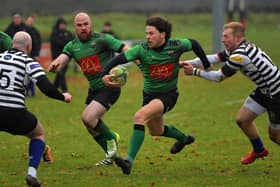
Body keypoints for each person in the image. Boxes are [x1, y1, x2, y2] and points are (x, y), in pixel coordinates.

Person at [101, 16, 211, 175]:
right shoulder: (142, 49)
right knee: (156, 131)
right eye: (146, 33)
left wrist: (206, 64)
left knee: (139, 116)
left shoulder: (176, 45)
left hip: (168, 95)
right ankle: (183, 138)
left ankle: (128, 161)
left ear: (163, 34)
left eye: (151, 33)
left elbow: (193, 43)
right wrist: (104, 73)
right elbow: (120, 58)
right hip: (149, 96)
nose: (147, 37)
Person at [183, 22, 280, 165]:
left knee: (275, 136)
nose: (223, 40)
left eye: (226, 37)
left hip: (276, 95)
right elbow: (214, 59)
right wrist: (183, 62)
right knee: (243, 120)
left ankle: (260, 149)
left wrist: (195, 72)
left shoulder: (240, 56)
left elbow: (218, 77)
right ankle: (259, 150)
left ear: (238, 38)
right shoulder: (239, 48)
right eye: (223, 36)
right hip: (264, 91)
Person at [47, 12, 130, 166]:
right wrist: (55, 64)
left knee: (88, 118)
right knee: (89, 125)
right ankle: (110, 156)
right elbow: (63, 58)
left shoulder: (102, 39)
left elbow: (124, 47)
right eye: (80, 25)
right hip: (94, 90)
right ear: (75, 27)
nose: (83, 28)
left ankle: (112, 137)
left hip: (109, 87)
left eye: (86, 24)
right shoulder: (72, 46)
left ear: (91, 24)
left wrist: (133, 57)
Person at [0, 31, 72, 187]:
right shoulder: (28, 61)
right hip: (15, 113)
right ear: (29, 46)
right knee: (38, 133)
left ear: (12, 44)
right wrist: (62, 96)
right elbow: (45, 87)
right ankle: (31, 173)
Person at [50, 17, 74, 92]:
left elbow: (72, 42)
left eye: (64, 24)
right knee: (60, 72)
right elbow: (57, 43)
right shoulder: (54, 33)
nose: (63, 26)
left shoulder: (68, 33)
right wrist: (65, 41)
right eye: (61, 24)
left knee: (61, 73)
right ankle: (65, 90)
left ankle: (54, 87)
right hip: (57, 57)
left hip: (67, 57)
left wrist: (64, 41)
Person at [25, 15, 42, 96]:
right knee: (24, 75)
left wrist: (37, 54)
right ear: (26, 21)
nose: (30, 23)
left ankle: (32, 92)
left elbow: (38, 43)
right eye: (29, 21)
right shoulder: (23, 30)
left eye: (32, 21)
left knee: (32, 74)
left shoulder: (35, 32)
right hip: (24, 55)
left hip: (33, 56)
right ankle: (25, 91)